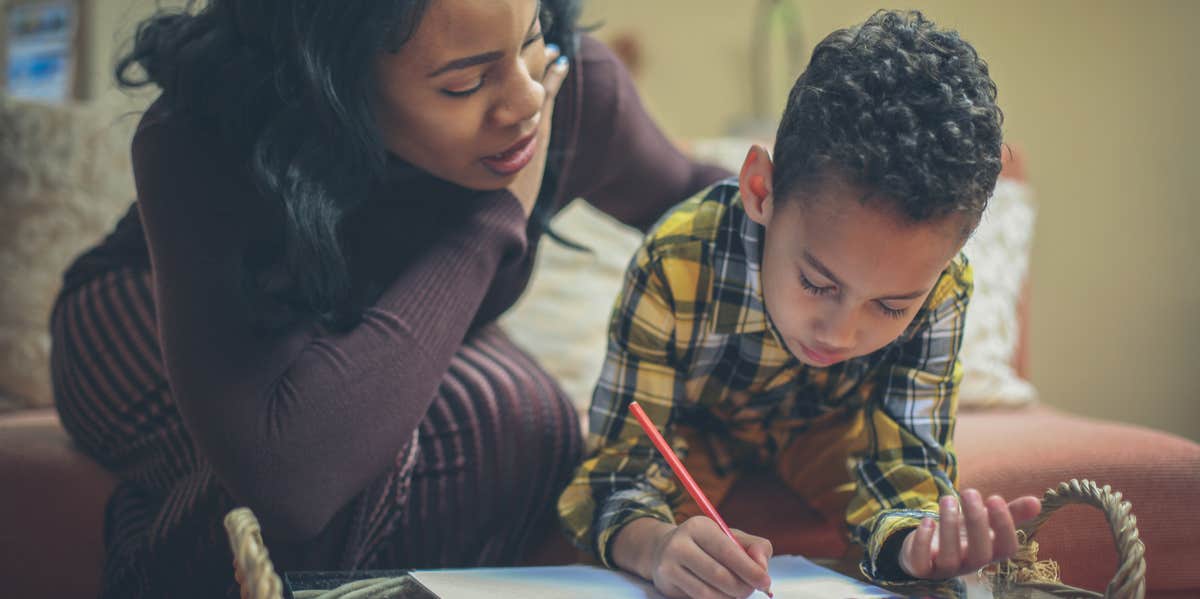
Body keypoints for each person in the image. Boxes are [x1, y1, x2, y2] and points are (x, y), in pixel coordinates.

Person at [49, 1, 728, 597]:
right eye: (465, 81)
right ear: (335, 85)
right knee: (347, 464)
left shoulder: (563, 89)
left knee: (530, 422)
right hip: (155, 316)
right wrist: (493, 220)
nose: (525, 101)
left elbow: (699, 201)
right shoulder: (202, 141)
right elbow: (293, 477)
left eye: (531, 37)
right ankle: (154, 562)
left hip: (365, 340)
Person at [558, 10, 1042, 598]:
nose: (840, 333)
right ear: (762, 189)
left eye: (890, 308)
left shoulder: (942, 289)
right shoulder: (677, 259)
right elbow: (620, 468)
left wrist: (916, 547)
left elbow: (901, 464)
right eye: (817, 283)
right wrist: (656, 544)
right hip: (695, 428)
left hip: (838, 429)